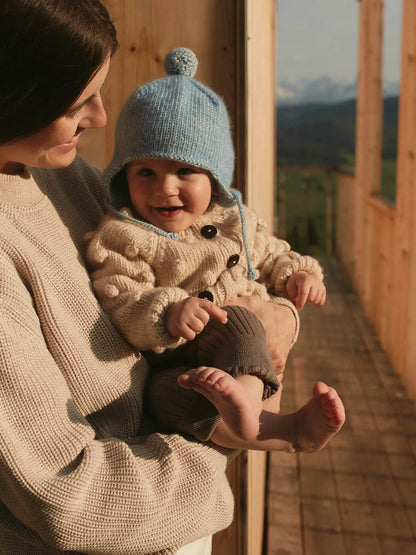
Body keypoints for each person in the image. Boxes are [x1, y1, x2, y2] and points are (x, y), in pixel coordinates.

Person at [0, 2, 305, 553]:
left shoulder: (54, 176)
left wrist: (279, 318)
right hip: (137, 523)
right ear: (13, 94)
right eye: (76, 102)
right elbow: (67, 499)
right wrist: (223, 440)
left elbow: (241, 265)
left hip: (168, 492)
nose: (97, 118)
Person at [86, 47, 345, 453]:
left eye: (184, 171)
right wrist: (168, 310)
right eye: (146, 172)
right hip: (176, 357)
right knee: (163, 395)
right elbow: (120, 297)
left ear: (215, 178)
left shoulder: (233, 220)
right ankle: (285, 432)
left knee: (237, 321)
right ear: (124, 176)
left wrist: (298, 274)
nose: (165, 188)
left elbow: (273, 255)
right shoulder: (123, 234)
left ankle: (243, 397)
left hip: (235, 340)